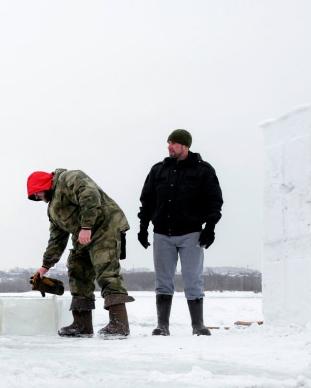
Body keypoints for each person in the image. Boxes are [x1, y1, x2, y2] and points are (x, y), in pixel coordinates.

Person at [137, 129, 224, 335]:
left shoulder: (203, 170)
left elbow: (214, 201)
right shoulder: (158, 170)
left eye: (174, 143)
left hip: (191, 233)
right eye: (168, 143)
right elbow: (147, 201)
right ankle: (162, 326)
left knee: (193, 279)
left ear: (186, 146)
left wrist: (210, 228)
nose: (170, 147)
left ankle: (198, 326)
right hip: (161, 234)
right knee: (163, 281)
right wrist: (143, 227)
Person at [28, 169, 135, 338]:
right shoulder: (53, 210)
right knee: (77, 269)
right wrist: (45, 266)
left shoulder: (69, 178)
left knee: (106, 268)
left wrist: (86, 227)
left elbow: (90, 195)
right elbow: (57, 238)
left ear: (43, 185)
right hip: (84, 234)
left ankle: (119, 324)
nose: (37, 198)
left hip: (104, 225)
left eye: (36, 193)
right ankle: (82, 324)